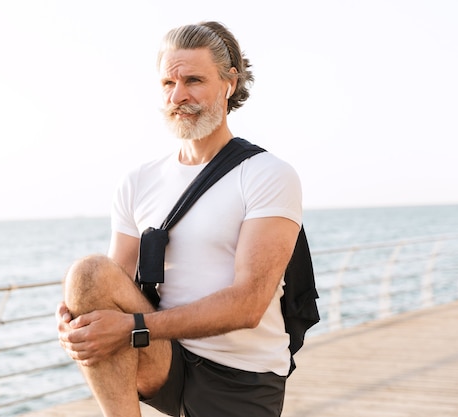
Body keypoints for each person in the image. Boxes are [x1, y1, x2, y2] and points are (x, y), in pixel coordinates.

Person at [56, 21, 302, 417]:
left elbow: (249, 305)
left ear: (229, 83)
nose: (178, 95)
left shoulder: (266, 174)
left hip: (241, 378)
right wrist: (76, 319)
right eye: (168, 84)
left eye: (193, 80)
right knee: (87, 275)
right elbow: (112, 281)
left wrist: (133, 328)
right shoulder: (137, 181)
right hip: (164, 358)